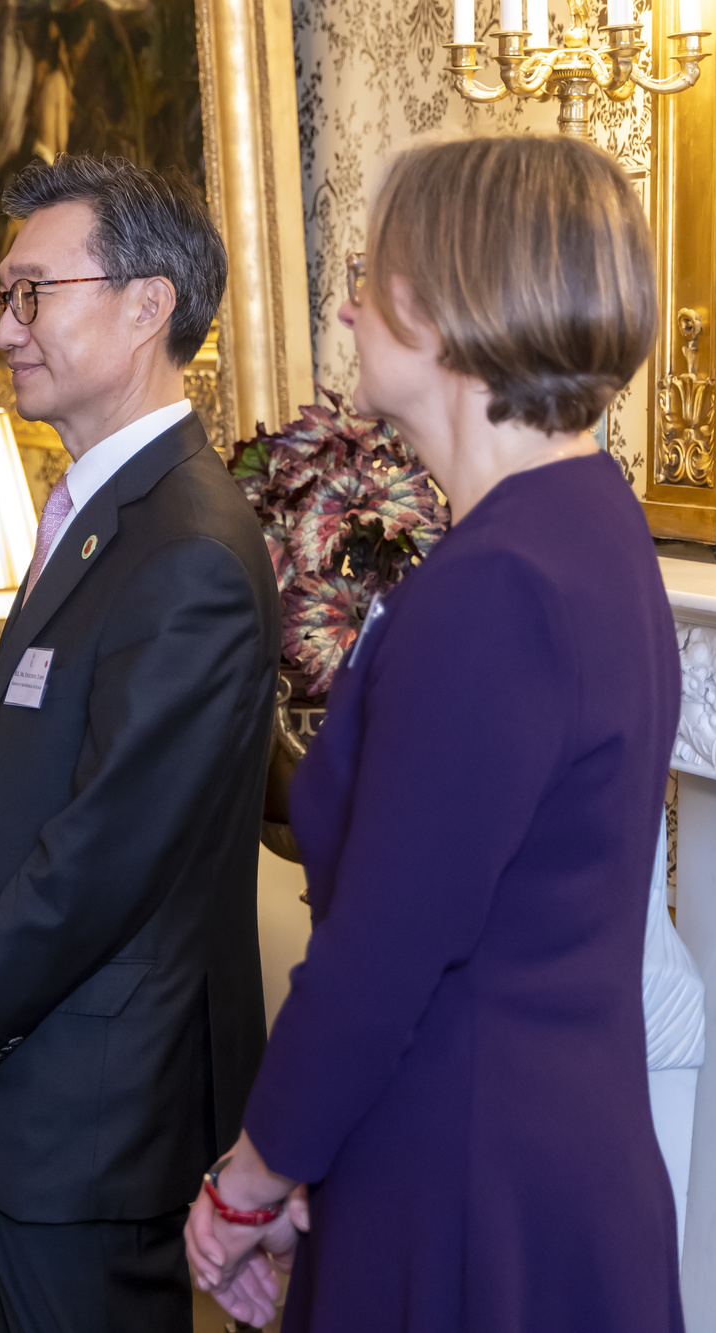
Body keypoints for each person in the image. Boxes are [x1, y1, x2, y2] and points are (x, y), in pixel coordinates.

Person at [183, 134, 682, 1332]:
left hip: (464, 1174)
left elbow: (380, 954)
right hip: (542, 1150)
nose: (347, 311)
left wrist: (249, 1180)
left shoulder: (498, 581)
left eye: (370, 278)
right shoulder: (590, 527)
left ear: (447, 304)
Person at [0, 154, 280, 1332]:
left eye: (34, 292)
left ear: (146, 306)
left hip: (95, 1099)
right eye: (3, 296)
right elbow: (3, 788)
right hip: (36, 1083)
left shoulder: (184, 541)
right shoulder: (97, 511)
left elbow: (104, 853)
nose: (7, 328)